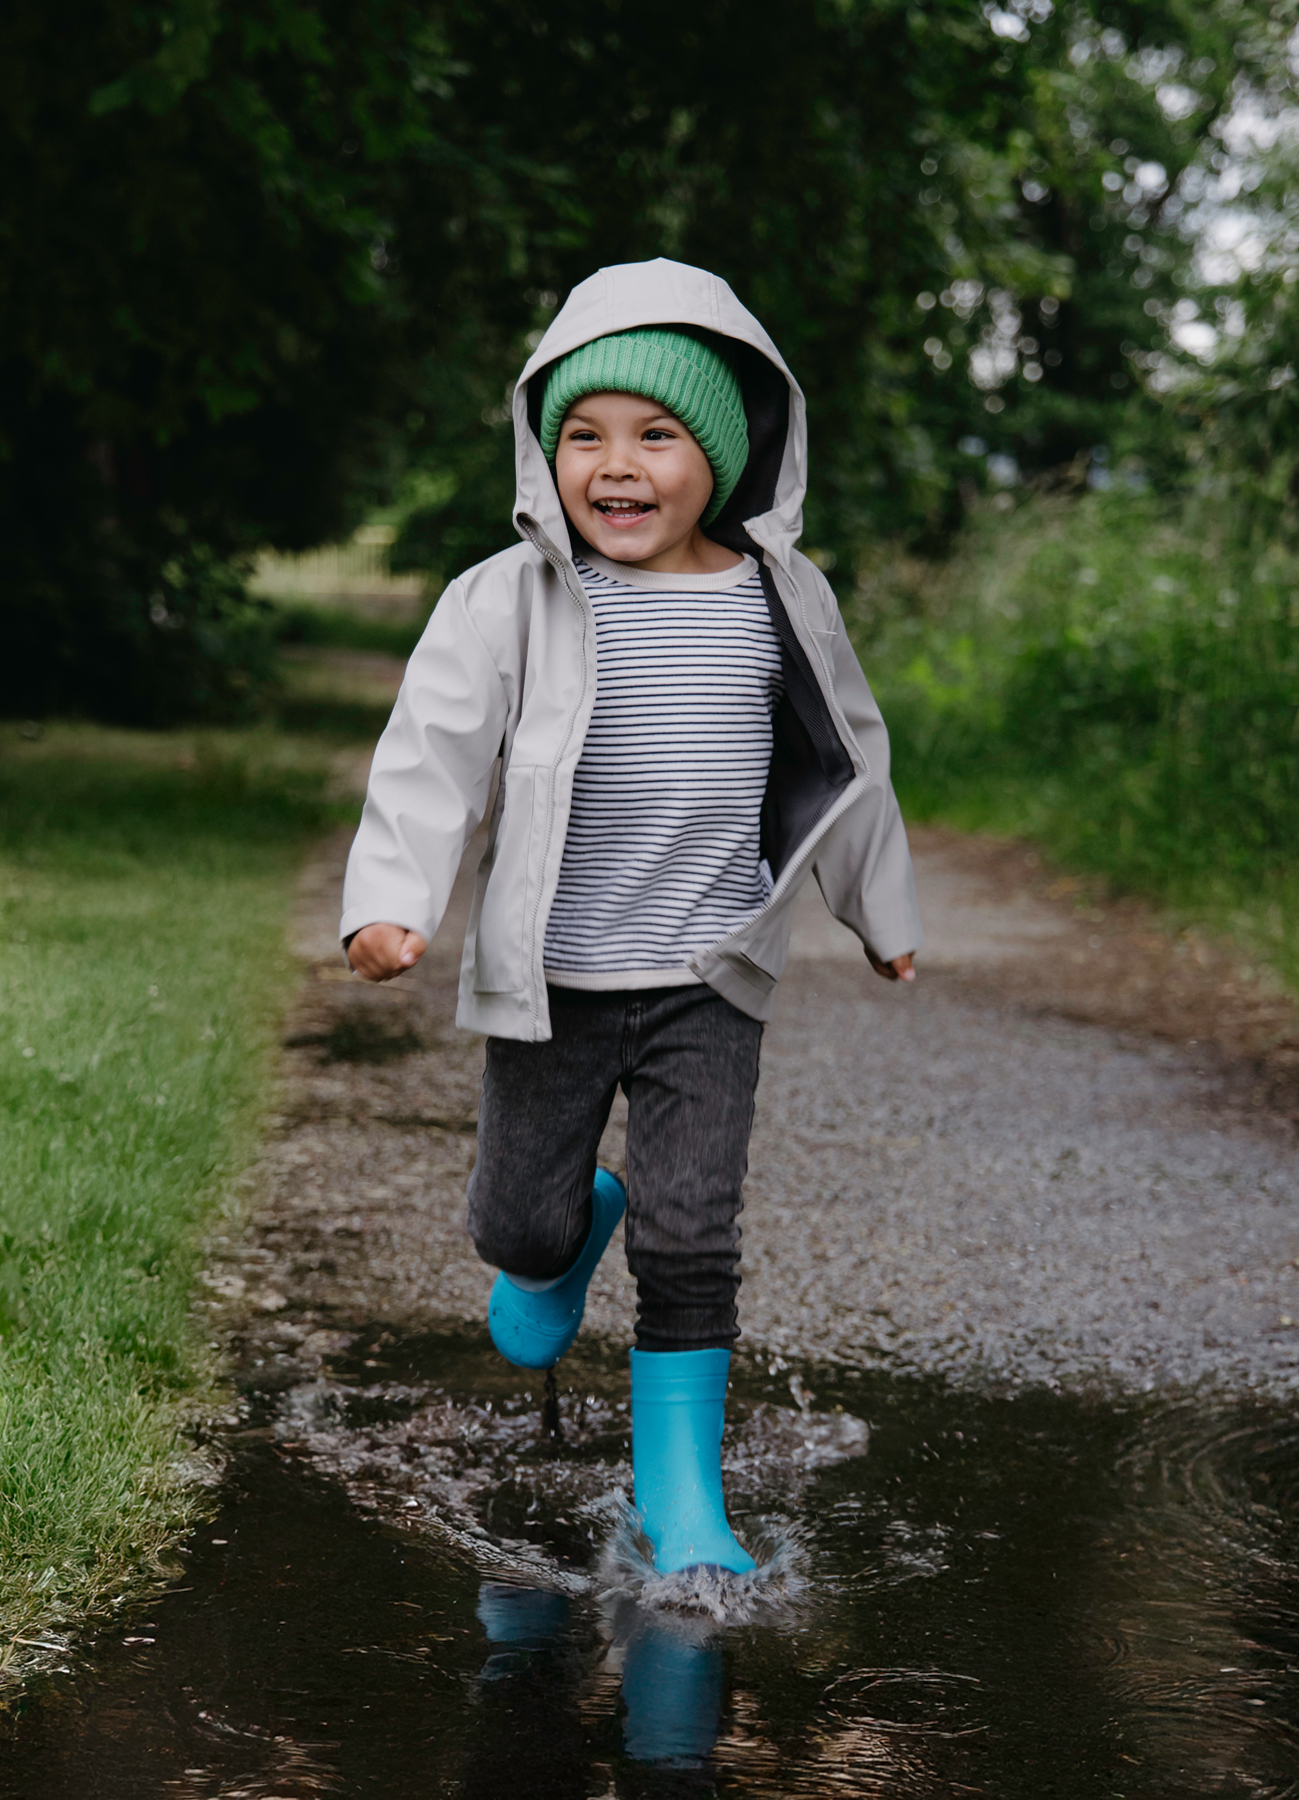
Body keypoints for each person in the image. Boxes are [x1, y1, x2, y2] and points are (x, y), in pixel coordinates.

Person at [340, 258, 922, 1578]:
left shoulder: (780, 601)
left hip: (710, 970)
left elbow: (849, 761)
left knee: (692, 1231)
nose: (614, 465)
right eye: (583, 437)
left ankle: (677, 1493)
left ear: (718, 458)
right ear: (542, 456)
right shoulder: (509, 598)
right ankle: (561, 1229)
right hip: (552, 975)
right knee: (521, 1230)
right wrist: (389, 902)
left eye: (654, 436)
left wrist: (876, 910)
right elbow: (428, 752)